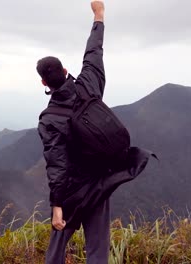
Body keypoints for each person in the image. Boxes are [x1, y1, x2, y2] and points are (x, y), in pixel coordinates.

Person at [37, 1, 153, 263]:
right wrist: (99, 16)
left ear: (43, 83)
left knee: (57, 248)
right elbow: (93, 53)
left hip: (73, 192)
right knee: (98, 249)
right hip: (101, 182)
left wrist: (57, 206)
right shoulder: (89, 85)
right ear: (66, 71)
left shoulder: (49, 119)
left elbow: (57, 165)